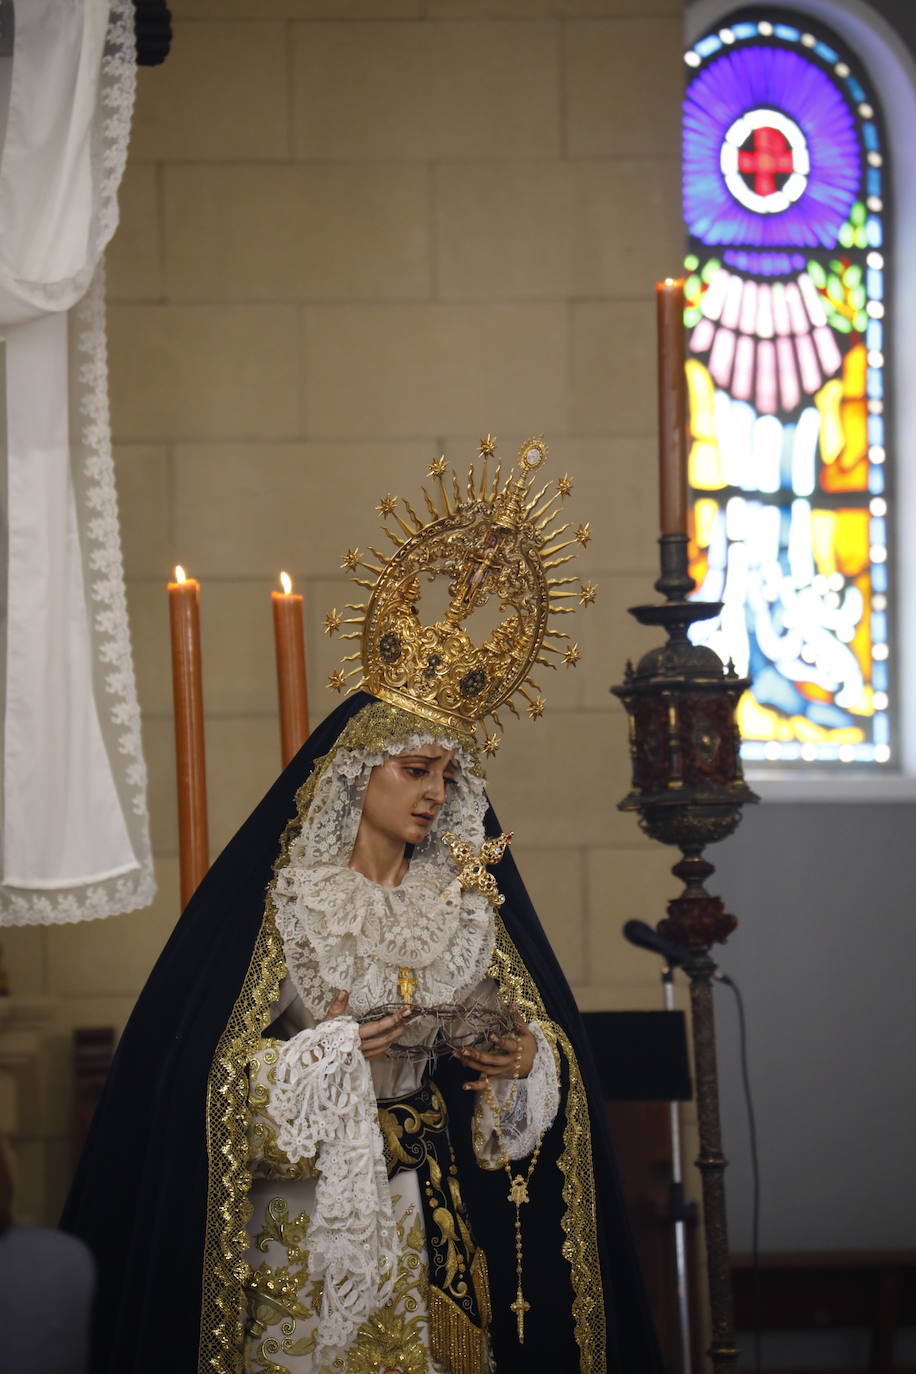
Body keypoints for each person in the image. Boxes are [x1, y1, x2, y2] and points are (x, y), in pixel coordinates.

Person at [62, 439, 665, 1374]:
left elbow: (546, 1048)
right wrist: (322, 1060)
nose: (432, 793)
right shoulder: (288, 905)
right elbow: (200, 1082)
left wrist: (525, 1060)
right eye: (412, 769)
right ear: (354, 773)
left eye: (446, 776)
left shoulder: (461, 907)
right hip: (305, 1227)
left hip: (439, 1220)